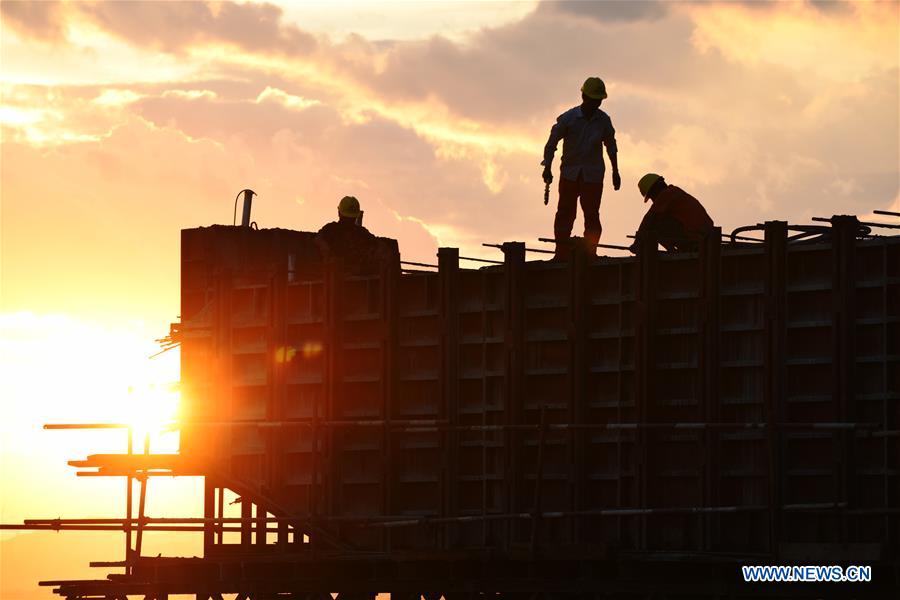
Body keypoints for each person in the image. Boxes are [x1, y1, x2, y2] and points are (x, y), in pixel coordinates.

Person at [542, 77, 621, 259]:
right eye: (594, 99)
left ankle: (590, 252)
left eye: (599, 100)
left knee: (592, 214)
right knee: (565, 213)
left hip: (592, 176)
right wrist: (547, 167)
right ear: (584, 97)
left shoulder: (603, 121)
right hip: (570, 174)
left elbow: (611, 145)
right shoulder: (569, 119)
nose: (596, 103)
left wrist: (615, 171)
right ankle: (561, 253)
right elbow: (551, 143)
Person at [630, 173, 714, 253]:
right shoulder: (675, 193)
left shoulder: (666, 194)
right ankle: (678, 250)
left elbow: (649, 219)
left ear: (654, 190)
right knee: (657, 220)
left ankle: (675, 252)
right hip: (706, 237)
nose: (653, 201)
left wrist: (637, 243)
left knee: (655, 224)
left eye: (651, 197)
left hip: (696, 238)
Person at [316, 196, 381, 270]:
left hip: (335, 274)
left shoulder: (330, 229)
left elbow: (318, 239)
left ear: (339, 212)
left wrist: (327, 253)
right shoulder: (362, 233)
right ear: (356, 215)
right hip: (359, 274)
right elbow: (377, 246)